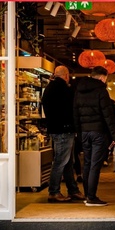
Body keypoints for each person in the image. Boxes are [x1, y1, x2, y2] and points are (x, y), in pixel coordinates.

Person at [73, 65, 115, 207]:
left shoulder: (79, 90)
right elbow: (108, 114)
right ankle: (91, 197)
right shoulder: (101, 90)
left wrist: (79, 132)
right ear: (102, 77)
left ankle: (87, 195)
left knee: (87, 163)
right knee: (95, 165)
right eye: (106, 78)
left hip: (84, 132)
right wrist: (114, 135)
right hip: (98, 132)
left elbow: (75, 113)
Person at [41, 65, 84, 203]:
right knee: (61, 161)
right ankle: (54, 191)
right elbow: (70, 110)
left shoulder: (50, 88)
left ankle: (73, 190)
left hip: (56, 129)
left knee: (67, 162)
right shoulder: (64, 89)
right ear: (66, 75)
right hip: (64, 130)